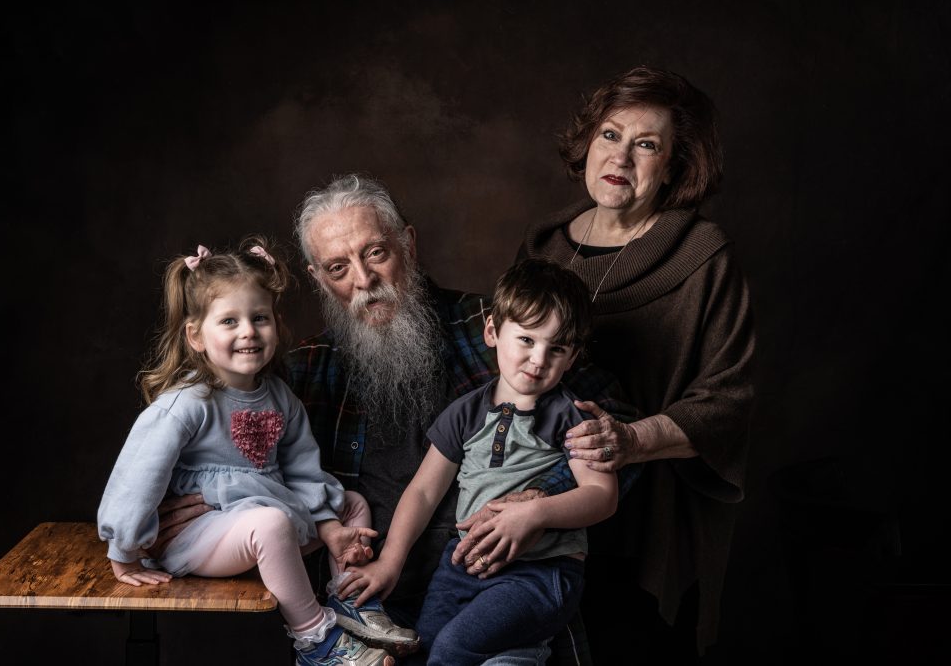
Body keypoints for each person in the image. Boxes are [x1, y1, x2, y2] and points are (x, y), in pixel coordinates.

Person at [285, 173, 640, 666]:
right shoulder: (307, 367)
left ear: (408, 244)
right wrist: (201, 501)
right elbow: (242, 455)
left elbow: (616, 425)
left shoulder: (491, 327)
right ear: (318, 277)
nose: (363, 281)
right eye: (338, 267)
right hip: (369, 606)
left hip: (504, 585)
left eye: (376, 253)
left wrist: (539, 498)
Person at [515, 66, 757, 661]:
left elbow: (728, 402)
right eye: (610, 135)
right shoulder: (543, 245)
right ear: (587, 143)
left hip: (648, 524)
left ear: (674, 165)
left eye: (646, 144)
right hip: (541, 513)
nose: (621, 155)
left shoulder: (703, 256)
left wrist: (629, 441)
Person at [96, 236, 418, 666]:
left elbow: (304, 470)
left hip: (270, 513)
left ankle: (351, 600)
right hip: (203, 533)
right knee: (270, 524)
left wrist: (328, 526)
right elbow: (138, 477)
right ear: (195, 335)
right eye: (228, 321)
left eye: (259, 317)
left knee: (351, 502)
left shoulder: (279, 396)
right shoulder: (187, 404)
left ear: (275, 324)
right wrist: (126, 551)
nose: (248, 331)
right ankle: (314, 639)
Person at [343, 258, 619, 665]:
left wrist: (536, 514)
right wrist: (390, 562)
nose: (538, 359)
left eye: (556, 348)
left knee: (455, 648)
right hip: (463, 567)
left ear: (572, 357)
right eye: (526, 339)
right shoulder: (465, 413)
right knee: (425, 646)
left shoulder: (568, 415)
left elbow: (602, 495)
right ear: (492, 331)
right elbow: (422, 491)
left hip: (541, 573)